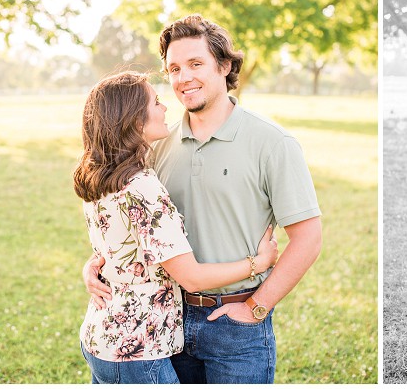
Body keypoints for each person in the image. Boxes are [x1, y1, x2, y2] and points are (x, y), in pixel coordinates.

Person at [84, 15, 323, 384]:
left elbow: (308, 238)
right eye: (174, 68)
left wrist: (257, 306)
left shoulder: (273, 143)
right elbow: (132, 220)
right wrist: (100, 264)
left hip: (236, 325)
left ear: (225, 66)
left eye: (196, 64)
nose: (183, 78)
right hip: (166, 323)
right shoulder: (154, 143)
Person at [74, 71, 278, 384]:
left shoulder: (101, 176)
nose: (165, 108)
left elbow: (116, 247)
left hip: (101, 335)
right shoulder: (143, 187)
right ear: (134, 119)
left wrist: (93, 267)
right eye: (155, 103)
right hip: (138, 348)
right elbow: (192, 278)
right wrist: (259, 263)